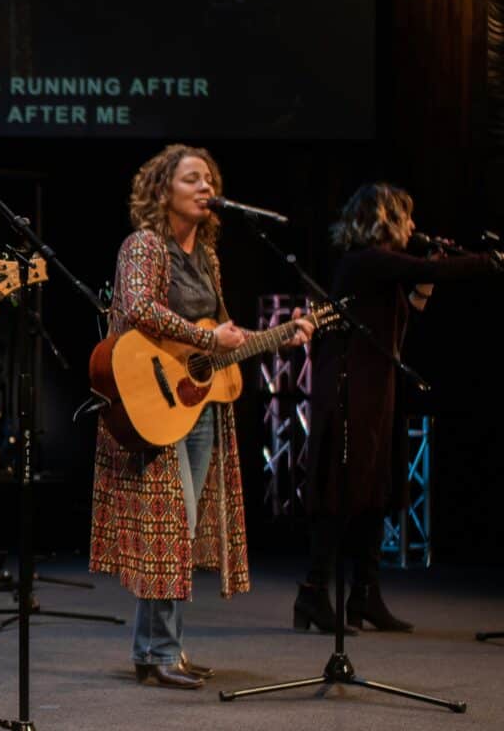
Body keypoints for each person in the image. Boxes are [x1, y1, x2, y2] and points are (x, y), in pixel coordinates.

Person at [89, 145, 312, 688]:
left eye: (209, 178)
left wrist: (282, 336)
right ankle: (159, 650)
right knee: (173, 524)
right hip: (151, 401)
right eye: (192, 178)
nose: (205, 186)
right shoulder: (145, 245)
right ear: (163, 190)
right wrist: (205, 336)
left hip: (197, 405)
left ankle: (157, 649)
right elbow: (139, 307)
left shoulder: (207, 257)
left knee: (180, 530)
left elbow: (223, 340)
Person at [299, 184, 502, 633]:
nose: (413, 226)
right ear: (385, 218)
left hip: (379, 384)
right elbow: (429, 275)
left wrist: (426, 276)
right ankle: (312, 593)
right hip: (349, 385)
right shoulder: (363, 261)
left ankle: (365, 595)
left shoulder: (384, 271)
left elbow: (406, 315)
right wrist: (489, 261)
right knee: (343, 485)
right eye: (405, 217)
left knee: (377, 486)